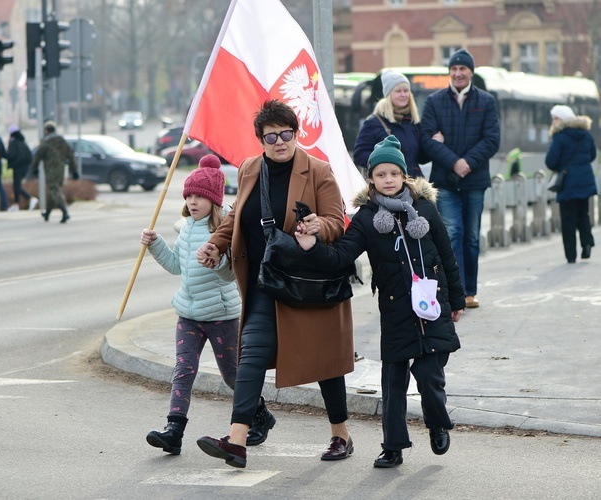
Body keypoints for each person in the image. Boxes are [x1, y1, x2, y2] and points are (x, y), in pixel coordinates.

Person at [195, 100, 354, 468]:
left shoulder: (319, 171)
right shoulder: (250, 169)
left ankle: (341, 434)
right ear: (261, 140)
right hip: (265, 282)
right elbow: (236, 215)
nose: (280, 142)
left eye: (287, 134)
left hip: (306, 283)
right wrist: (216, 244)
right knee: (249, 356)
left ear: (296, 134)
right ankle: (236, 440)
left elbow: (337, 220)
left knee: (323, 363)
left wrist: (318, 227)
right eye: (272, 137)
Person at [295, 135, 465, 468]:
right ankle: (393, 446)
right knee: (393, 381)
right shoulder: (366, 219)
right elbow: (341, 255)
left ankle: (437, 422)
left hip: (433, 307)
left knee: (430, 376)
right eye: (381, 175)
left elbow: (446, 255)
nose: (388, 180)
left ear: (404, 176)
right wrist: (312, 245)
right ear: (371, 178)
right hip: (396, 310)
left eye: (394, 174)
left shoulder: (426, 208)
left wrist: (457, 298)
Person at [141, 154, 242, 455]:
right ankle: (174, 431)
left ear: (214, 199)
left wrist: (216, 260)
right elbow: (175, 266)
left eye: (200, 196)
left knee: (232, 375)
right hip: (188, 314)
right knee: (183, 370)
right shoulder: (185, 228)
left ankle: (258, 412)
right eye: (189, 195)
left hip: (221, 316)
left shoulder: (224, 229)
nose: (194, 201)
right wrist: (155, 244)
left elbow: (230, 275)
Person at [420, 49, 500, 309]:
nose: (457, 73)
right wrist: (455, 162)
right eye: (453, 70)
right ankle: (454, 292)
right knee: (452, 234)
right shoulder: (434, 102)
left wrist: (467, 163)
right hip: (445, 180)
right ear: (449, 73)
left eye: (462, 69)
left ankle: (469, 291)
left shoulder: (486, 101)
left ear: (471, 73)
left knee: (472, 236)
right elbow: (427, 140)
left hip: (475, 180)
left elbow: (491, 139)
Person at [354, 69, 438, 179]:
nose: (403, 95)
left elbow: (421, 158)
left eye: (406, 91)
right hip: (388, 187)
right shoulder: (374, 123)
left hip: (414, 186)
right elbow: (359, 155)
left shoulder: (413, 122)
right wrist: (385, 163)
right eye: (398, 91)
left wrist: (433, 143)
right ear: (388, 95)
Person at [545, 105, 597, 263]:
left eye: (556, 118)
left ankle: (571, 255)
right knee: (583, 215)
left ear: (563, 120)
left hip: (567, 183)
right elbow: (593, 155)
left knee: (568, 219)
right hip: (585, 181)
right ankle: (587, 244)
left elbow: (551, 162)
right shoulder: (586, 134)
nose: (553, 121)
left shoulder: (559, 136)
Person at [30, 121, 78, 223]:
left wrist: (34, 168)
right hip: (61, 170)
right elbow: (71, 156)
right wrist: (75, 170)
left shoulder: (46, 142)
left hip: (50, 170)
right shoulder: (62, 141)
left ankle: (64, 211)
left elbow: (37, 156)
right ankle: (47, 213)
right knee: (53, 191)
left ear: (46, 130)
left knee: (55, 190)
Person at [5, 124, 37, 210]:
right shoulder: (22, 142)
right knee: (16, 186)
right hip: (24, 167)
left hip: (17, 167)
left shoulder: (13, 142)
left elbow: (11, 155)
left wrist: (3, 154)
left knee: (17, 187)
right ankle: (16, 204)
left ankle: (30, 198)